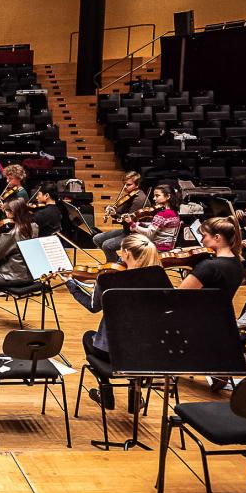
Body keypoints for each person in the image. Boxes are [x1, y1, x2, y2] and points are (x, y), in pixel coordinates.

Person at [65, 234, 162, 410]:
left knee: (89, 337)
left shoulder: (108, 278)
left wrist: (71, 284)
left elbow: (92, 307)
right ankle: (135, 394)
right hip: (146, 354)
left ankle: (105, 388)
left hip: (112, 353)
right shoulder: (159, 279)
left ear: (126, 254)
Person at [178, 217, 245, 300]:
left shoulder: (208, 266)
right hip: (222, 312)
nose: (201, 241)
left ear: (217, 237)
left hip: (200, 312)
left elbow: (178, 297)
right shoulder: (238, 263)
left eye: (203, 236)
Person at [93, 172, 148, 254]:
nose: (125, 187)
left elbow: (128, 222)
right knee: (97, 238)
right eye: (124, 184)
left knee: (107, 245)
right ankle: (117, 262)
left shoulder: (139, 200)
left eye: (128, 185)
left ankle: (114, 264)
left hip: (135, 233)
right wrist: (111, 209)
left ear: (137, 185)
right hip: (126, 231)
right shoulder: (129, 196)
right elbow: (120, 212)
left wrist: (115, 215)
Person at [126, 183, 180, 253]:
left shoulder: (162, 214)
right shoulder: (174, 212)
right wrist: (142, 223)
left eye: (157, 196)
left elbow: (149, 233)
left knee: (128, 246)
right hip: (167, 247)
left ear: (168, 197)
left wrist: (132, 223)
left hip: (157, 248)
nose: (154, 198)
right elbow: (160, 225)